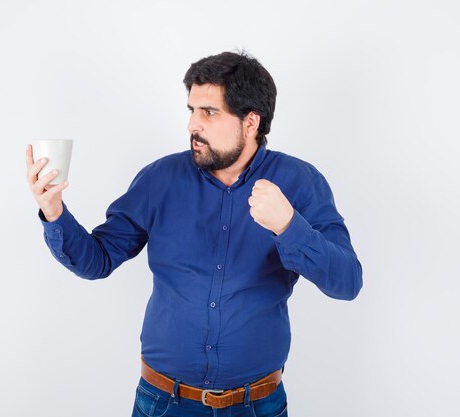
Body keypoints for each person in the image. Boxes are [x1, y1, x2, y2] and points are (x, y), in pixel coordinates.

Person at [25, 50, 363, 417]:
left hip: (257, 405)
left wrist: (288, 226)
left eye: (209, 112)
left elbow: (346, 283)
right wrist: (54, 211)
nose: (192, 125)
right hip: (162, 402)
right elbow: (98, 260)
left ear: (250, 122)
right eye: (191, 110)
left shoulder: (300, 183)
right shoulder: (159, 179)